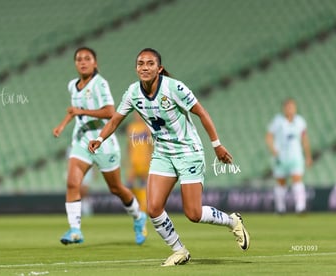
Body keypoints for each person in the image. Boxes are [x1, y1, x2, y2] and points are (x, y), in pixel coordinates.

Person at [89, 48, 250, 266]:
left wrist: (217, 145)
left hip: (188, 152)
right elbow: (116, 120)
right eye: (140, 63)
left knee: (193, 213)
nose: (144, 67)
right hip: (163, 154)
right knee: (153, 208)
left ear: (159, 68)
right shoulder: (133, 93)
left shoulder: (174, 88)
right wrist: (99, 139)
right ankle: (179, 250)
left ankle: (233, 221)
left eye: (150, 63)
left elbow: (202, 113)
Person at [53, 47, 147, 246]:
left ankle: (138, 216)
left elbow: (110, 112)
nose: (83, 62)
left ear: (95, 63)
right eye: (79, 59)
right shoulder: (73, 85)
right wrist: (62, 125)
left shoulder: (100, 84)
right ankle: (75, 230)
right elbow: (75, 112)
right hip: (81, 141)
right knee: (72, 183)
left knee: (116, 188)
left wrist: (81, 111)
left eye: (87, 58)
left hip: (104, 143)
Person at [266, 98, 313, 214]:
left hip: (295, 156)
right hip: (280, 157)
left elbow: (304, 139)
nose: (290, 109)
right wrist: (273, 150)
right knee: (281, 182)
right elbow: (269, 136)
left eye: (292, 107)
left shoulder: (300, 121)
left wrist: (308, 156)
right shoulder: (278, 121)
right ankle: (280, 208)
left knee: (297, 179)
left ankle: (300, 207)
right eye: (288, 107)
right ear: (284, 108)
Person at [126, 111, 153, 212]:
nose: (138, 116)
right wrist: (127, 158)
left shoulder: (147, 127)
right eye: (136, 114)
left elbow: (151, 144)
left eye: (139, 114)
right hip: (133, 160)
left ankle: (143, 207)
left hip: (144, 159)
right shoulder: (131, 127)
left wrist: (150, 157)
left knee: (143, 183)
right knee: (129, 184)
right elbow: (129, 145)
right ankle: (136, 204)